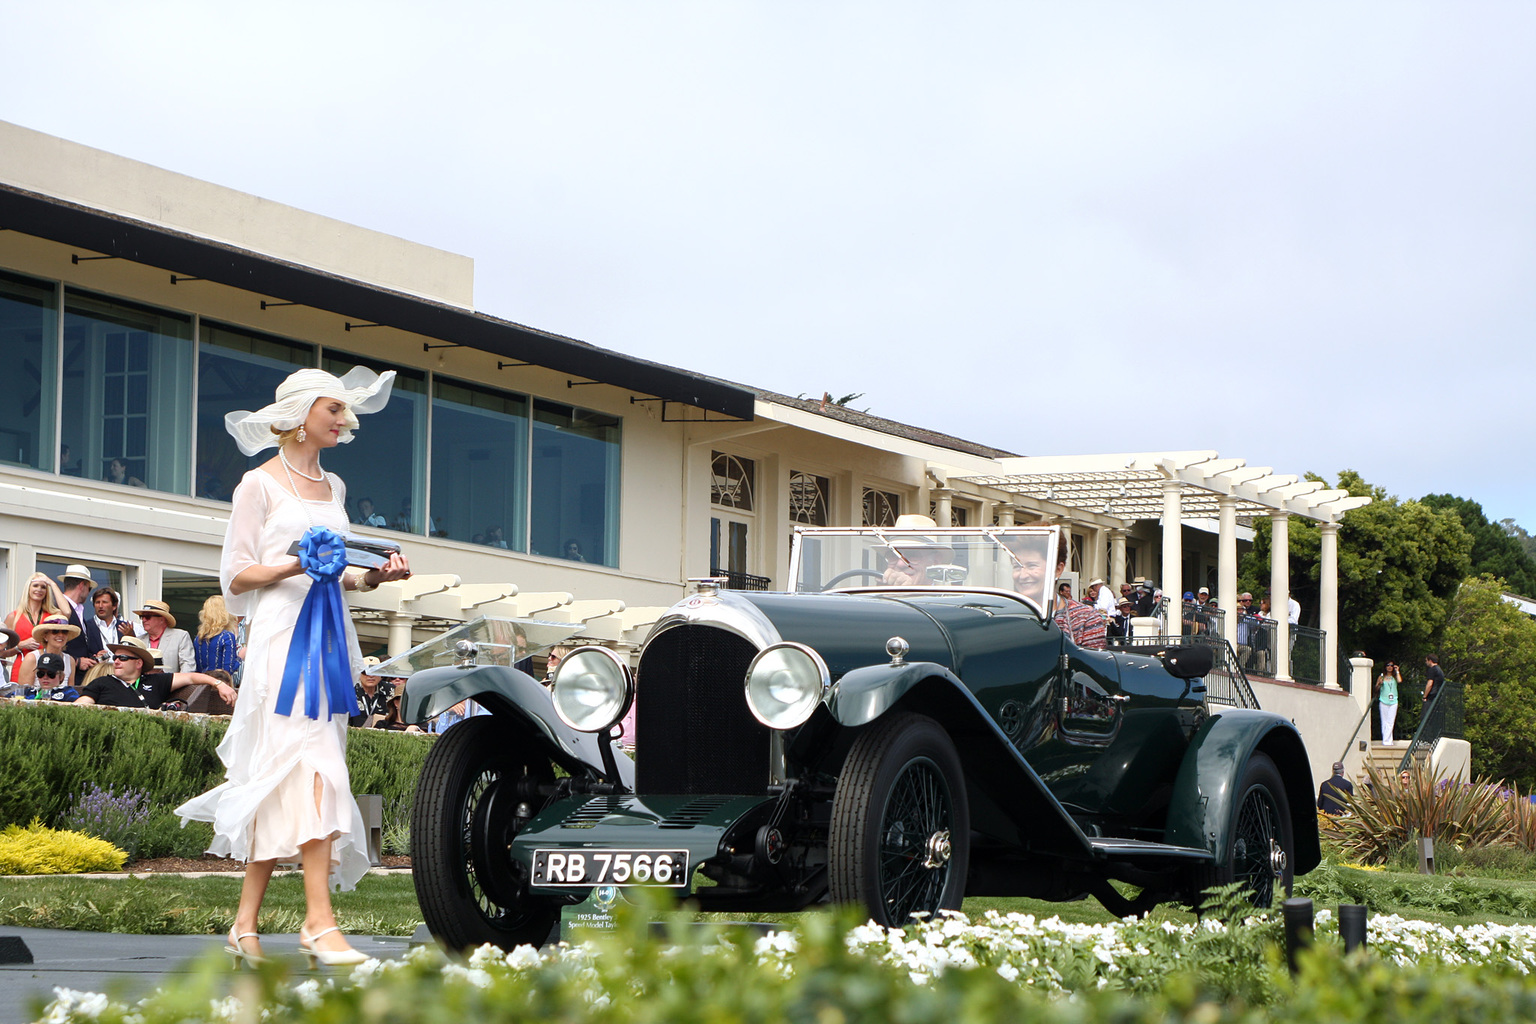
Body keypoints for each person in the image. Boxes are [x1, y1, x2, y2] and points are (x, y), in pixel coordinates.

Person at [174, 365, 410, 969]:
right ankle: (318, 921)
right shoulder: (257, 485)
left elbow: (340, 573)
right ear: (301, 413)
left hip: (330, 638)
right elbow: (235, 577)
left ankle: (244, 924)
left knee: (290, 772)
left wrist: (374, 576)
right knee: (313, 766)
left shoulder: (333, 487)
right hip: (282, 640)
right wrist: (293, 563)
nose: (344, 419)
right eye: (333, 408)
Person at [73, 635, 234, 709]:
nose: (116, 661)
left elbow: (191, 677)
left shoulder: (155, 681)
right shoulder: (102, 682)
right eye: (115, 657)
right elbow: (82, 705)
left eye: (122, 657)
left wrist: (219, 683)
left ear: (138, 663)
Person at [3, 572, 65, 682]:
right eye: (35, 585)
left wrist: (52, 583)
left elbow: (67, 611)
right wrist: (20, 645)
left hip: (47, 670)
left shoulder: (52, 616)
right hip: (22, 667)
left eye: (43, 587)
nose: (39, 589)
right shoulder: (14, 617)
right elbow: (2, 652)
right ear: (28, 588)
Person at [879, 515, 954, 586]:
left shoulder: (944, 598)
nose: (900, 564)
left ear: (935, 561)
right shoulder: (879, 595)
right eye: (893, 555)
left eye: (912, 555)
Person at [55, 565, 101, 669]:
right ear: (82, 585)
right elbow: (52, 643)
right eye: (89, 588)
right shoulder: (58, 607)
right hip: (62, 674)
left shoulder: (78, 610)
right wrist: (76, 661)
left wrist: (93, 658)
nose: (89, 593)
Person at [133, 600, 197, 675]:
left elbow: (188, 666)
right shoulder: (138, 640)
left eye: (147, 617)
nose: (143, 620)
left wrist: (176, 683)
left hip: (172, 685)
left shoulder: (180, 636)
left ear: (162, 619)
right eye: (142, 616)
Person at [17, 616, 80, 690]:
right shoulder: (32, 658)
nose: (60, 635)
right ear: (45, 636)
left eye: (64, 632)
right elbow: (24, 692)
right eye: (55, 631)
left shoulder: (70, 660)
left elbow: (70, 691)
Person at [194, 595, 241, 675]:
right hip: (219, 684)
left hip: (202, 684)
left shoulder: (199, 638)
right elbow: (227, 671)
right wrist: (239, 657)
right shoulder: (227, 637)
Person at [86, 586, 135, 659]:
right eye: (97, 602)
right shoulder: (86, 626)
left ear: (114, 606)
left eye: (104, 602)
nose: (100, 606)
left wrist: (131, 637)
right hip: (98, 669)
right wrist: (95, 658)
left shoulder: (124, 627)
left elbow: (135, 653)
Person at [349, 656, 394, 727]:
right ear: (358, 673)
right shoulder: (350, 691)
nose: (370, 675)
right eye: (365, 672)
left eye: (374, 671)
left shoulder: (391, 690)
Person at [1376, 661, 1402, 745]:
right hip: (1384, 700)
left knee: (1391, 721)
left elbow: (1399, 681)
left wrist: (1397, 671)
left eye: (1391, 666)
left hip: (1393, 701)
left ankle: (1387, 740)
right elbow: (1376, 687)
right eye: (1388, 665)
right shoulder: (1382, 677)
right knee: (1384, 721)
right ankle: (1387, 740)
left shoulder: (1394, 677)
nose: (1390, 667)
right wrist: (1379, 683)